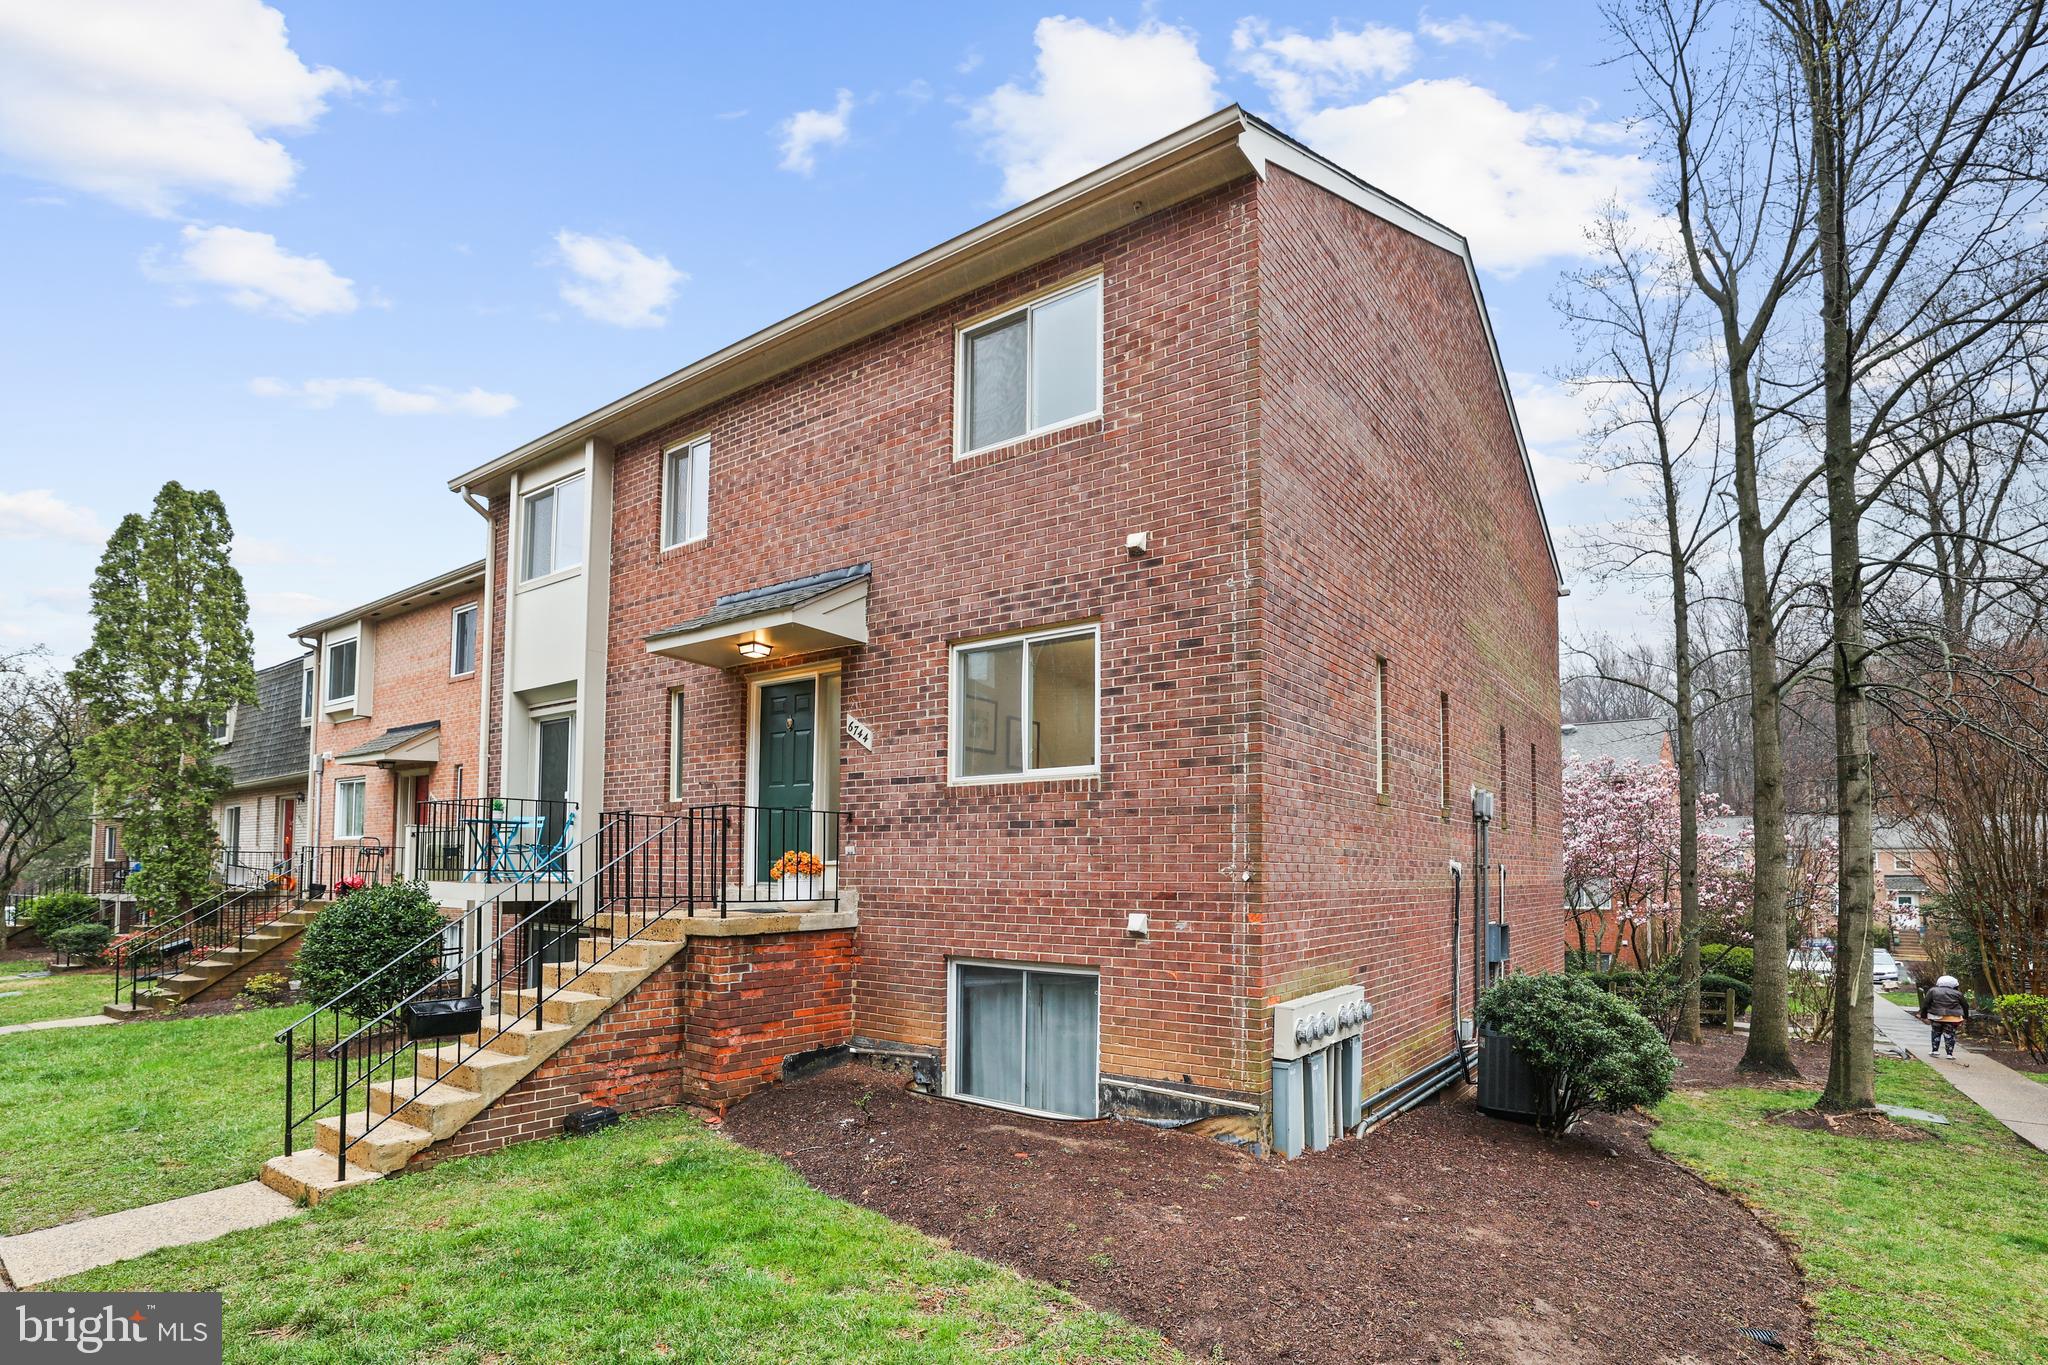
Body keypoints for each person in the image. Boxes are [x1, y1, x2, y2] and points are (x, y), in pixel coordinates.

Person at [1918, 974, 1969, 1059]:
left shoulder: (1933, 991)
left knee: (1936, 1033)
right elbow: (1965, 1006)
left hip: (1936, 1016)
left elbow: (1925, 1004)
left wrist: (1923, 1015)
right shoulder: (1957, 993)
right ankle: (1949, 1054)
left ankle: (1935, 1050)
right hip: (1953, 1018)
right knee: (1950, 1034)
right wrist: (1965, 1017)